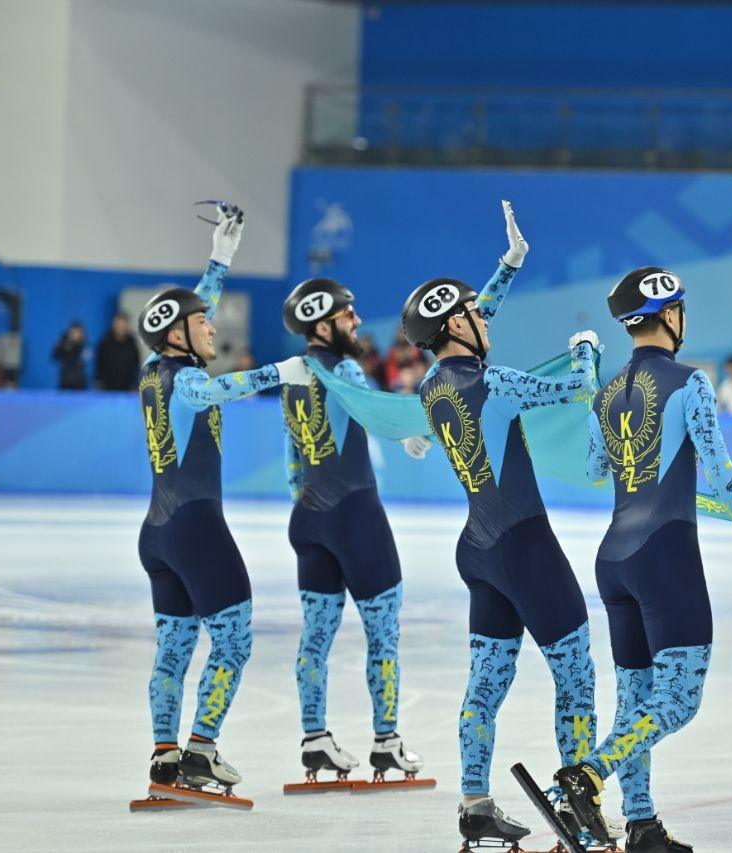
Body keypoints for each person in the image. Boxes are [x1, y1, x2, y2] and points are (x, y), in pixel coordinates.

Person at [402, 203, 622, 848]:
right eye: (474, 312)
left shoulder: (432, 385)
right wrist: (586, 348)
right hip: (526, 548)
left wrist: (508, 267)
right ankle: (581, 805)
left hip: (479, 549)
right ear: (455, 324)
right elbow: (578, 388)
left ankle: (475, 806)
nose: (485, 318)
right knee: (576, 675)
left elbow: (469, 329)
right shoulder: (496, 383)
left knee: (487, 684)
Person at [554, 266, 732, 853]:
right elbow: (722, 469)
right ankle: (588, 776)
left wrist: (594, 394)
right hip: (664, 555)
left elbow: (595, 468)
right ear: (669, 314)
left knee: (636, 703)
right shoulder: (690, 381)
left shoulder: (607, 391)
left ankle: (641, 825)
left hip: (614, 558)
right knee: (679, 700)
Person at [135, 204, 312, 800]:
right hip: (196, 531)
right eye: (203, 324)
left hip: (157, 533)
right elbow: (214, 388)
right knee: (234, 643)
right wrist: (278, 372)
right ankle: (201, 751)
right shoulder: (188, 380)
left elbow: (183, 319)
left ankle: (165, 757)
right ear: (178, 336)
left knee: (173, 650)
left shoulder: (151, 370)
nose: (213, 328)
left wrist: (219, 260)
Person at [280, 268, 439, 787]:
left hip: (310, 518)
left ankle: (315, 742)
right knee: (383, 635)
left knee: (315, 638)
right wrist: (411, 431)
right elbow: (376, 411)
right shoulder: (344, 370)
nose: (357, 319)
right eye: (347, 313)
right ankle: (387, 744)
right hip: (356, 518)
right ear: (322, 324)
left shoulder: (292, 376)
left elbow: (293, 457)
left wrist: (308, 508)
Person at [95, 311, 141, 391]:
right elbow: (99, 364)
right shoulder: (104, 343)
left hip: (127, 388)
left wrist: (135, 383)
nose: (121, 327)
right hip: (107, 388)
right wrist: (99, 381)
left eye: (124, 324)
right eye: (119, 324)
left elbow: (136, 365)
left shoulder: (133, 344)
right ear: (114, 324)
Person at [52, 321, 88, 390]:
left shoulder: (84, 346)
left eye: (77, 332)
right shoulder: (63, 343)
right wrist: (61, 345)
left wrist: (74, 346)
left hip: (80, 382)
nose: (75, 335)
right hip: (65, 381)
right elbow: (54, 356)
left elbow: (83, 358)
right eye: (73, 332)